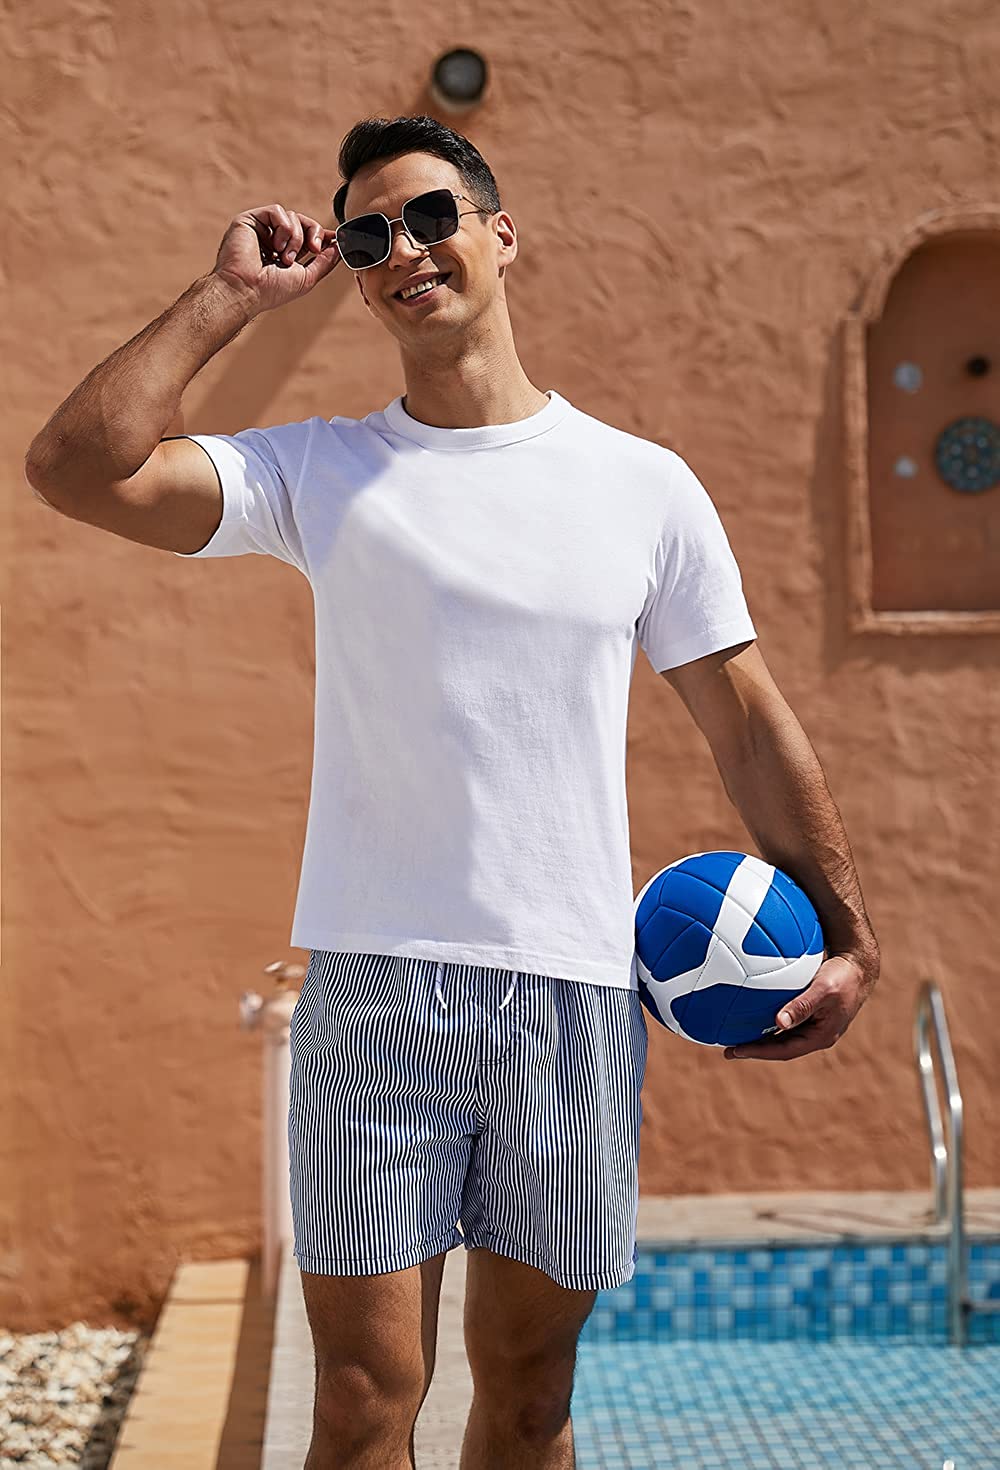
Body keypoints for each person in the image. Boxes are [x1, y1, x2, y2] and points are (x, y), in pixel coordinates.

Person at [25, 114, 880, 1470]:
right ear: (355, 275)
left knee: (531, 1396)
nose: (404, 250)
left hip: (571, 997)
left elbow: (749, 723)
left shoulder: (642, 486)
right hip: (375, 995)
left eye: (431, 216)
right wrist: (228, 296)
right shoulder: (320, 471)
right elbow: (81, 467)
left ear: (500, 232)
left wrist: (851, 939)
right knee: (364, 1399)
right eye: (369, 237)